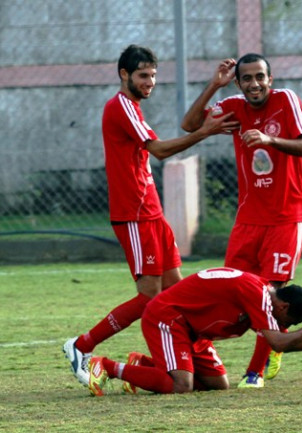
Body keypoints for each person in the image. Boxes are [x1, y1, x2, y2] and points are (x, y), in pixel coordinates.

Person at [63, 44, 237, 387]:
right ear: (124, 74)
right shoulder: (121, 107)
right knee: (149, 297)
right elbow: (157, 151)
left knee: (175, 293)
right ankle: (81, 346)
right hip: (133, 216)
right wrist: (205, 132)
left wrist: (214, 87)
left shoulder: (135, 108)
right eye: (143, 75)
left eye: (154, 76)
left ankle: (165, 362)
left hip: (152, 213)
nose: (150, 82)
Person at [181, 53, 302, 388]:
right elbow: (190, 125)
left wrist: (270, 139)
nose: (255, 84)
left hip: (286, 217)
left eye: (260, 77)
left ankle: (254, 372)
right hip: (248, 220)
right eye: (247, 79)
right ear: (239, 83)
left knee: (270, 295)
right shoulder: (235, 107)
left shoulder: (286, 100)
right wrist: (214, 85)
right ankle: (194, 359)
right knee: (231, 294)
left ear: (271, 78)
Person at [85, 267, 302, 396]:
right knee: (182, 386)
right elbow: (278, 342)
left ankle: (144, 367)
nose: (284, 326)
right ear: (284, 305)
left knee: (218, 385)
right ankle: (108, 366)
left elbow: (283, 343)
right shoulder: (259, 295)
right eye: (288, 320)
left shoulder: (266, 301)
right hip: (169, 318)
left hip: (194, 331)